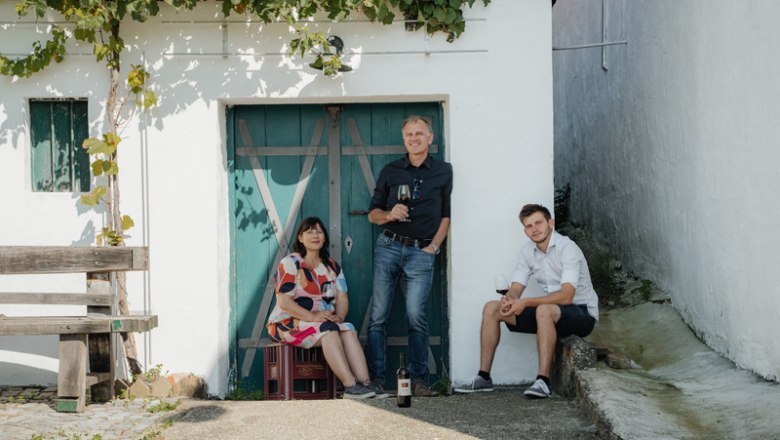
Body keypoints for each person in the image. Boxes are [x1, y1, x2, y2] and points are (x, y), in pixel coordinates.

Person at [454, 204, 599, 398]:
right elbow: (516, 288)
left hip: (581, 314)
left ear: (550, 223)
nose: (534, 229)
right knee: (492, 308)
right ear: (525, 230)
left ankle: (543, 382)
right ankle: (483, 378)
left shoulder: (568, 249)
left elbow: (567, 296)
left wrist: (526, 302)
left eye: (538, 223)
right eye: (529, 226)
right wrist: (510, 299)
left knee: (543, 310)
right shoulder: (527, 251)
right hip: (552, 313)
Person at [366, 116, 453, 397]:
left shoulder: (443, 171)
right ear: (404, 139)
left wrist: (434, 248)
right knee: (379, 316)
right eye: (408, 135)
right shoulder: (391, 171)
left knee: (416, 316)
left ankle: (419, 381)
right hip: (389, 245)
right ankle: (376, 380)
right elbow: (372, 213)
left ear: (430, 137)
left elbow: (446, 216)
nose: (413, 138)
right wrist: (389, 215)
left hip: (421, 252)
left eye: (419, 133)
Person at [266, 217, 384, 399]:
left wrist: (340, 316)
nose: (315, 235)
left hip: (320, 321)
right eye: (310, 232)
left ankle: (366, 383)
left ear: (324, 238)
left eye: (319, 232)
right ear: (300, 238)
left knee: (347, 329)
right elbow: (284, 302)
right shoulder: (290, 263)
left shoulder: (331, 267)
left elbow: (341, 299)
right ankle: (350, 385)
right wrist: (312, 317)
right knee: (328, 331)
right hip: (287, 323)